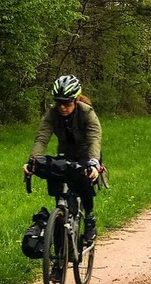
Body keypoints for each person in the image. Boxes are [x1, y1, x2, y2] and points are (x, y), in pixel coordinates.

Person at [23, 75, 102, 244]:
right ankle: (59, 253)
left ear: (75, 100)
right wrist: (33, 161)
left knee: (84, 183)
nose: (62, 107)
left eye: (66, 103)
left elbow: (95, 138)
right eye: (59, 102)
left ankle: (90, 218)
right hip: (65, 155)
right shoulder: (53, 113)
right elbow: (42, 137)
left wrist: (94, 163)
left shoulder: (87, 112)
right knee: (59, 193)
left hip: (86, 155)